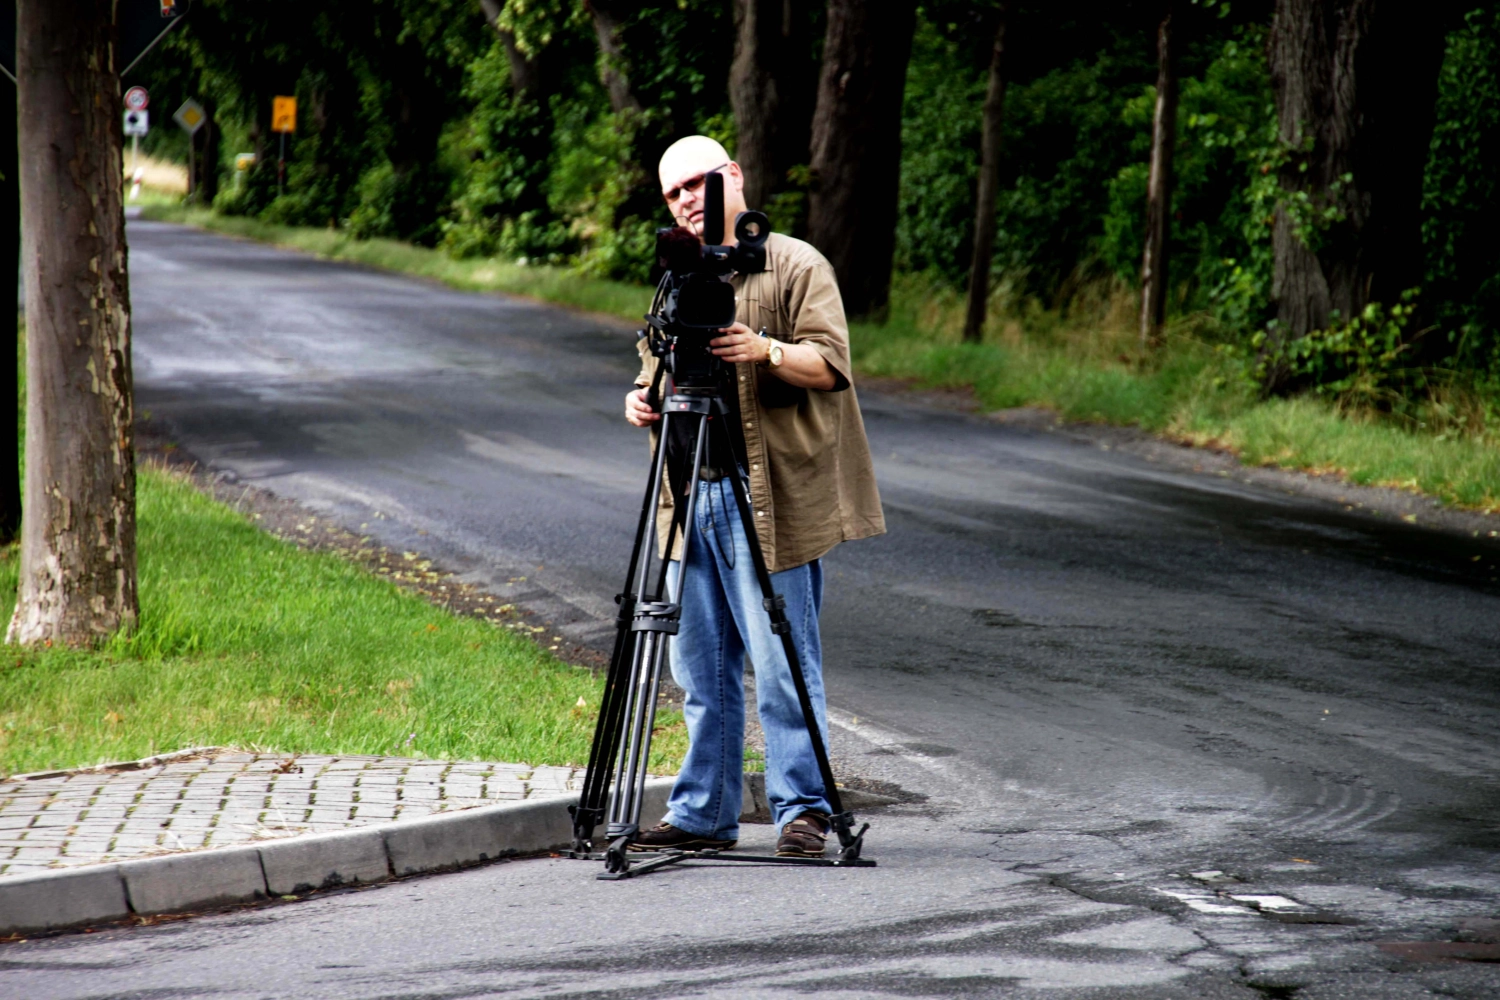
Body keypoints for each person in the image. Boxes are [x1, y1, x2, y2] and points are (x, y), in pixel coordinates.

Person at [624, 135, 885, 857]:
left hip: (767, 498)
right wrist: (640, 401)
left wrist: (764, 348)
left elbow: (831, 365)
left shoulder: (796, 263)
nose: (685, 201)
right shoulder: (676, 274)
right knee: (700, 673)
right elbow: (656, 366)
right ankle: (703, 812)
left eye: (697, 185)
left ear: (733, 176)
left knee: (782, 666)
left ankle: (802, 812)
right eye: (673, 192)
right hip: (690, 495)